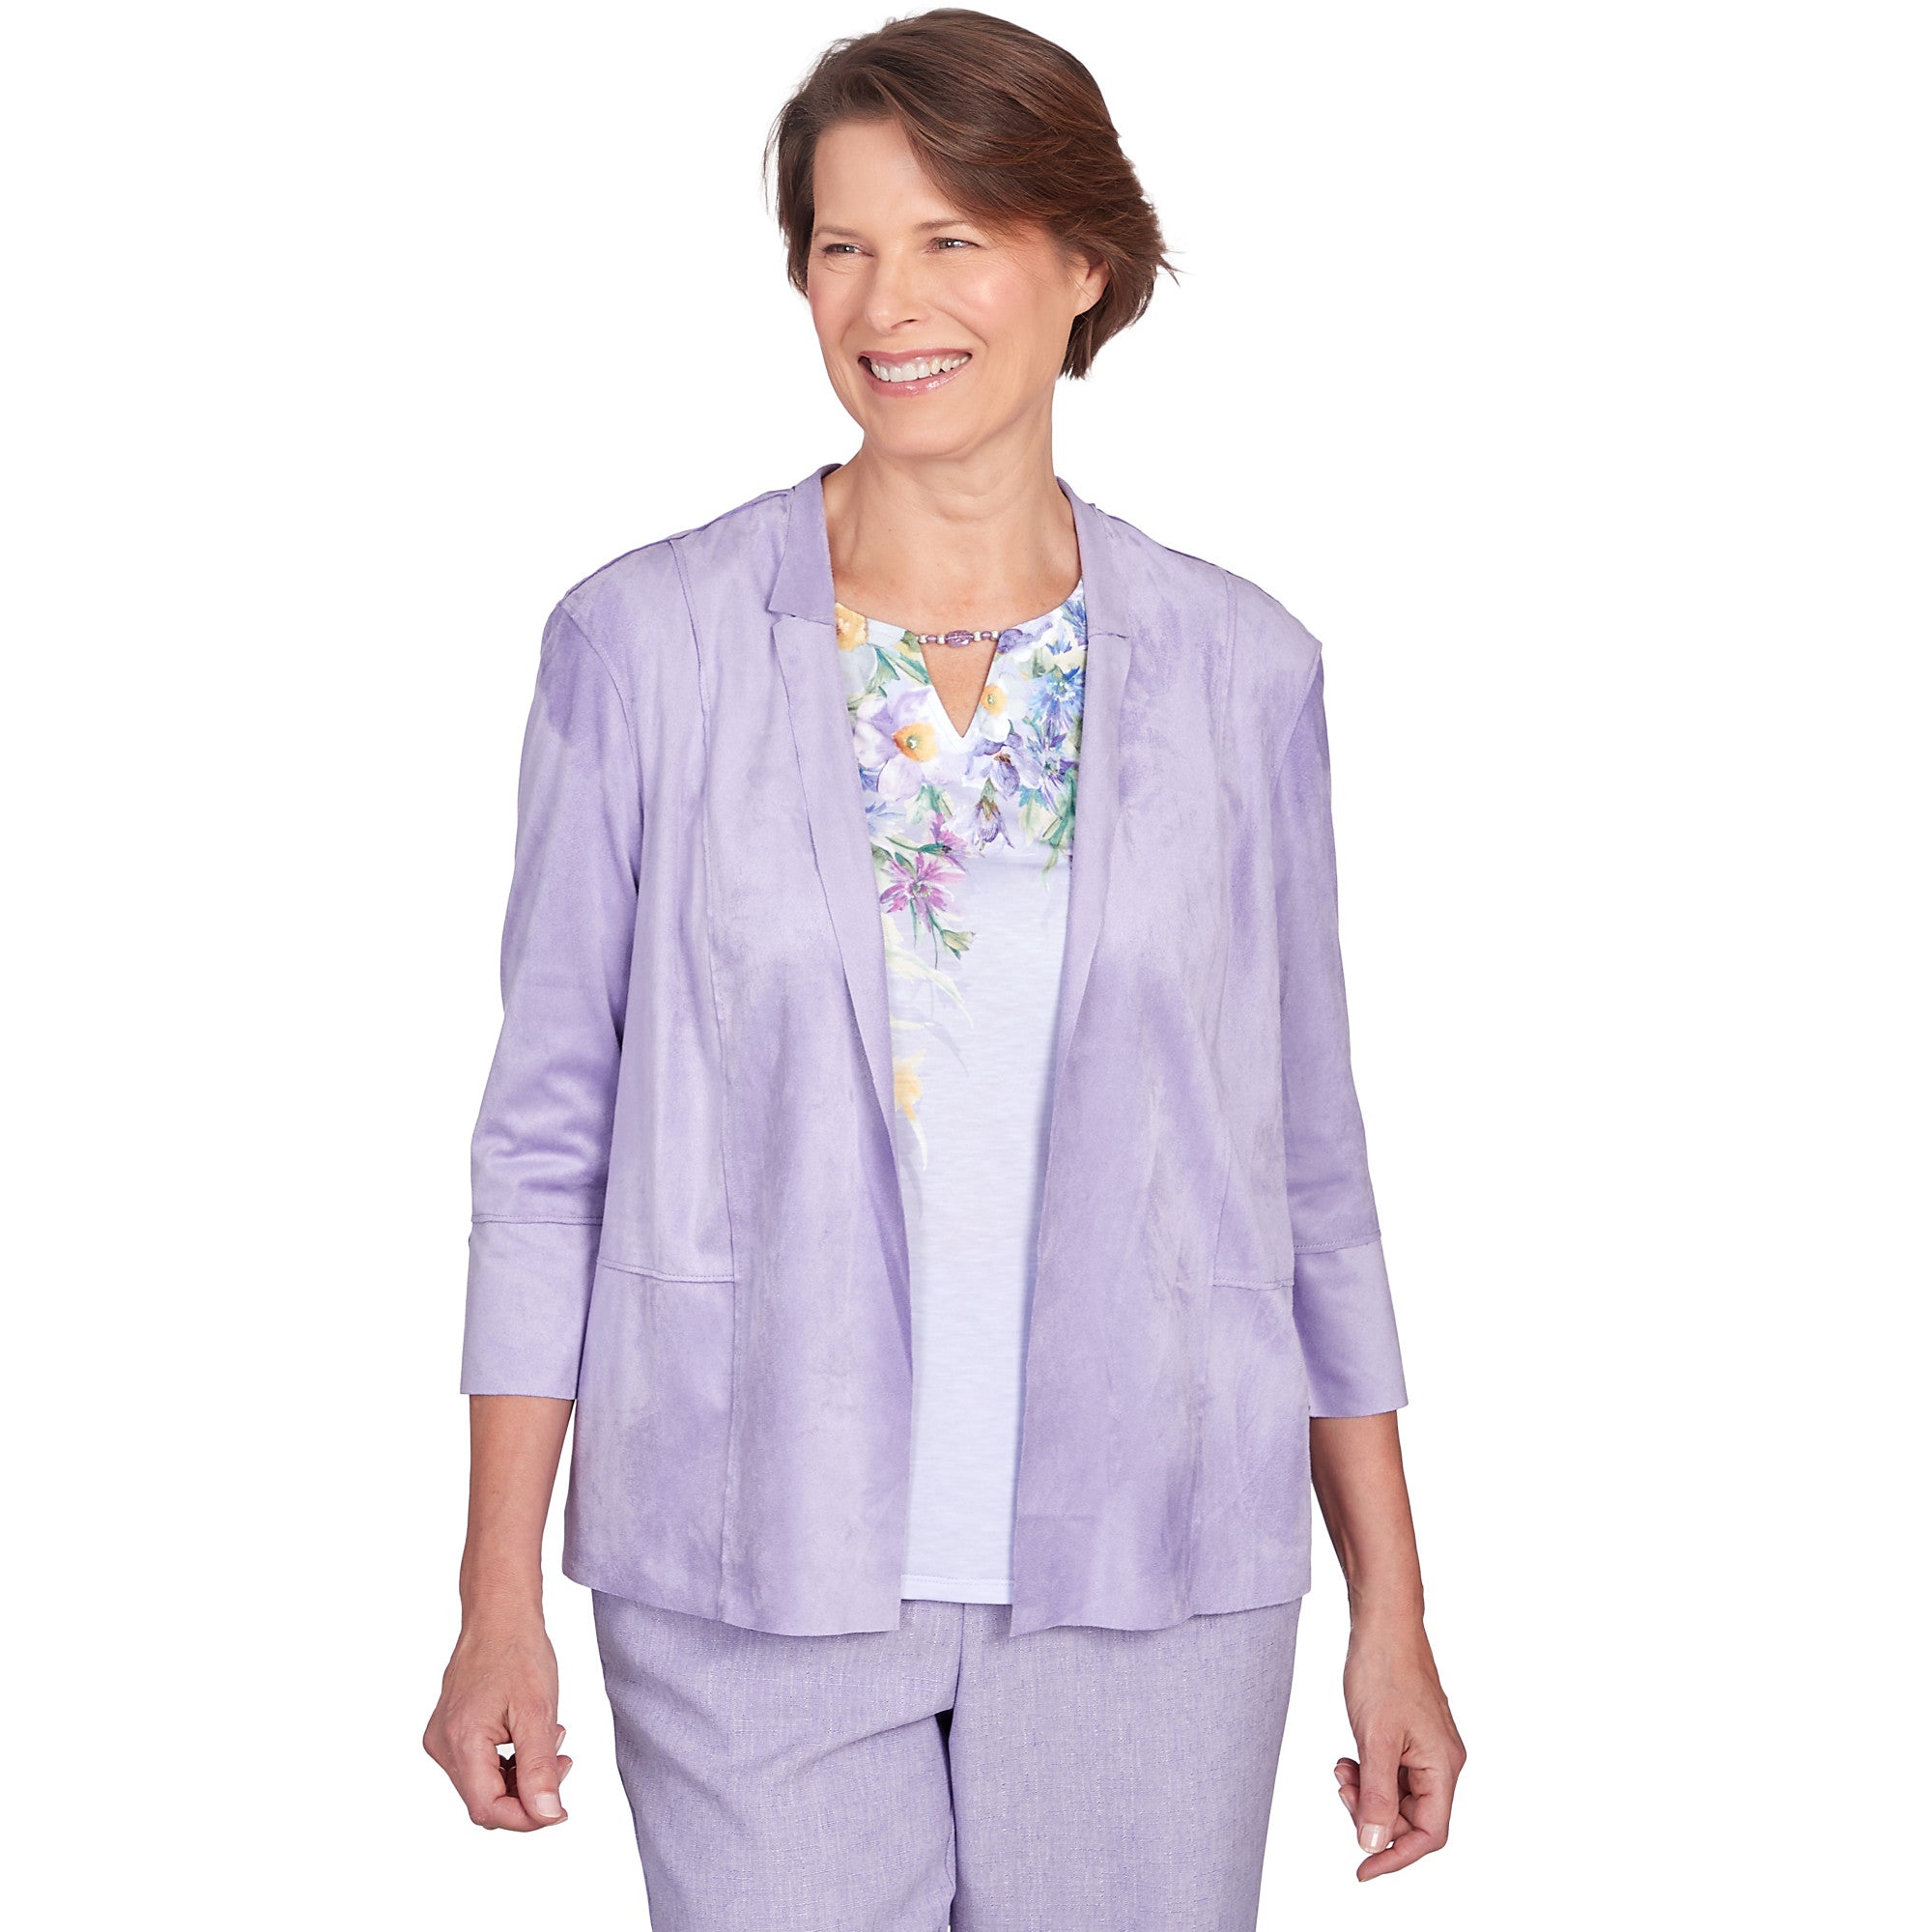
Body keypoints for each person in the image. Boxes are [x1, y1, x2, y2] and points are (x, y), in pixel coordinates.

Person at [423, 10, 1465, 1926]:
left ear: (1086, 267)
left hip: (1156, 1571)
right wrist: (496, 1593)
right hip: (746, 1553)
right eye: (841, 245)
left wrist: (1390, 1610)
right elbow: (545, 1146)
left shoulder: (1245, 672)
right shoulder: (643, 648)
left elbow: (1309, 1171)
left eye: (952, 238)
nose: (885, 301)